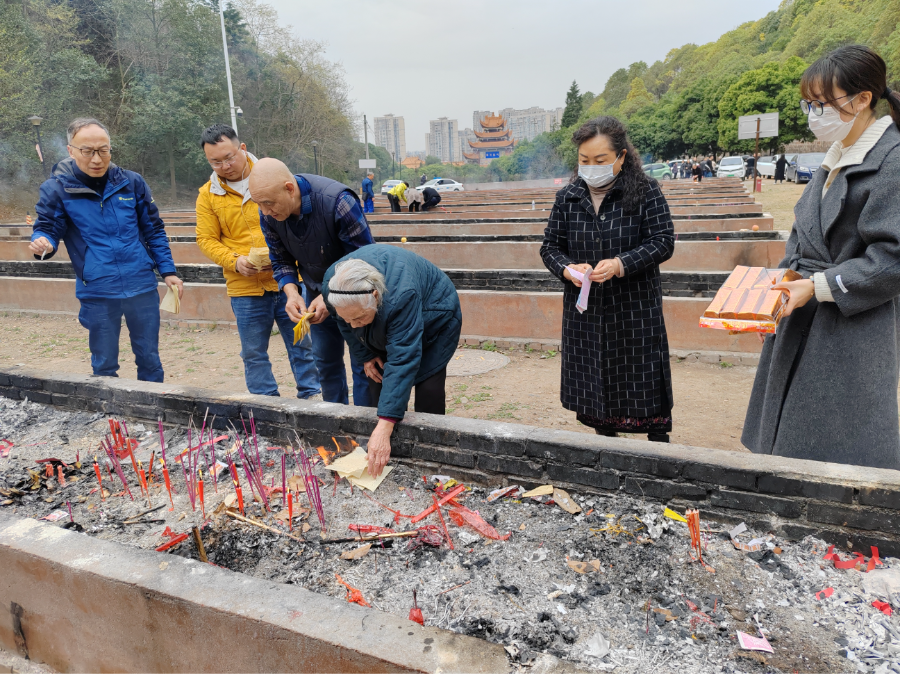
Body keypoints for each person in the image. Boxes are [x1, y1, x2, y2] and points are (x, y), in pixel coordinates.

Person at [743, 44, 900, 469]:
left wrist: (815, 286)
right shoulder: (835, 157)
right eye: (808, 104)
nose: (813, 114)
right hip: (801, 309)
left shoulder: (892, 160)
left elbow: (893, 258)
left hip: (852, 322)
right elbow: (802, 237)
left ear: (863, 98)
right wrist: (773, 297)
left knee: (837, 447)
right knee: (788, 443)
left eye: (821, 104)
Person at [540, 116, 675, 442]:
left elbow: (662, 241)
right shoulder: (568, 197)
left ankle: (659, 454)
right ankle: (606, 446)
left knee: (643, 384)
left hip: (634, 311)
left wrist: (620, 264)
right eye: (584, 160)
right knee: (596, 387)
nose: (591, 167)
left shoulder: (645, 192)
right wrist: (567, 269)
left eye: (600, 161)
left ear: (621, 157)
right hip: (587, 314)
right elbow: (550, 247)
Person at [30, 118, 182, 382]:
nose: (97, 159)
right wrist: (44, 242)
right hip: (98, 289)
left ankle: (153, 416)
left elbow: (154, 230)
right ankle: (111, 419)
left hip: (141, 286)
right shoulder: (56, 189)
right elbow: (47, 228)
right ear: (71, 150)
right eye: (87, 151)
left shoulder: (132, 183)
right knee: (104, 364)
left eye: (103, 150)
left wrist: (167, 270)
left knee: (150, 359)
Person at [195, 124, 319, 399]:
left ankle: (311, 396)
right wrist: (234, 261)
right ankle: (266, 404)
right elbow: (205, 239)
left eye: (229, 157)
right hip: (244, 286)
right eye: (216, 162)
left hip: (287, 280)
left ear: (242, 148)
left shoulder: (270, 178)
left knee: (302, 343)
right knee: (253, 352)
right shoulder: (208, 195)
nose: (225, 166)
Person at [321, 245, 461, 477]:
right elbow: (344, 323)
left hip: (435, 317)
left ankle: (431, 457)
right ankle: (389, 455)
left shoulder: (401, 295)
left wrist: (386, 423)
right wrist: (365, 354)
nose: (353, 325)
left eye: (358, 318)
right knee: (379, 374)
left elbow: (403, 357)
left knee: (429, 389)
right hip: (385, 315)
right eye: (349, 319)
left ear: (375, 296)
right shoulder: (333, 287)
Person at [248, 157, 374, 406]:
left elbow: (364, 258)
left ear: (289, 188)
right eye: (259, 205)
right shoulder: (270, 214)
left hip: (354, 294)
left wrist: (330, 295)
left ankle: (364, 425)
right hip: (315, 294)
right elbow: (280, 257)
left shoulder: (338, 202)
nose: (265, 212)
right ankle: (335, 421)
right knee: (326, 363)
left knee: (364, 363)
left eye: (268, 204)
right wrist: (291, 292)